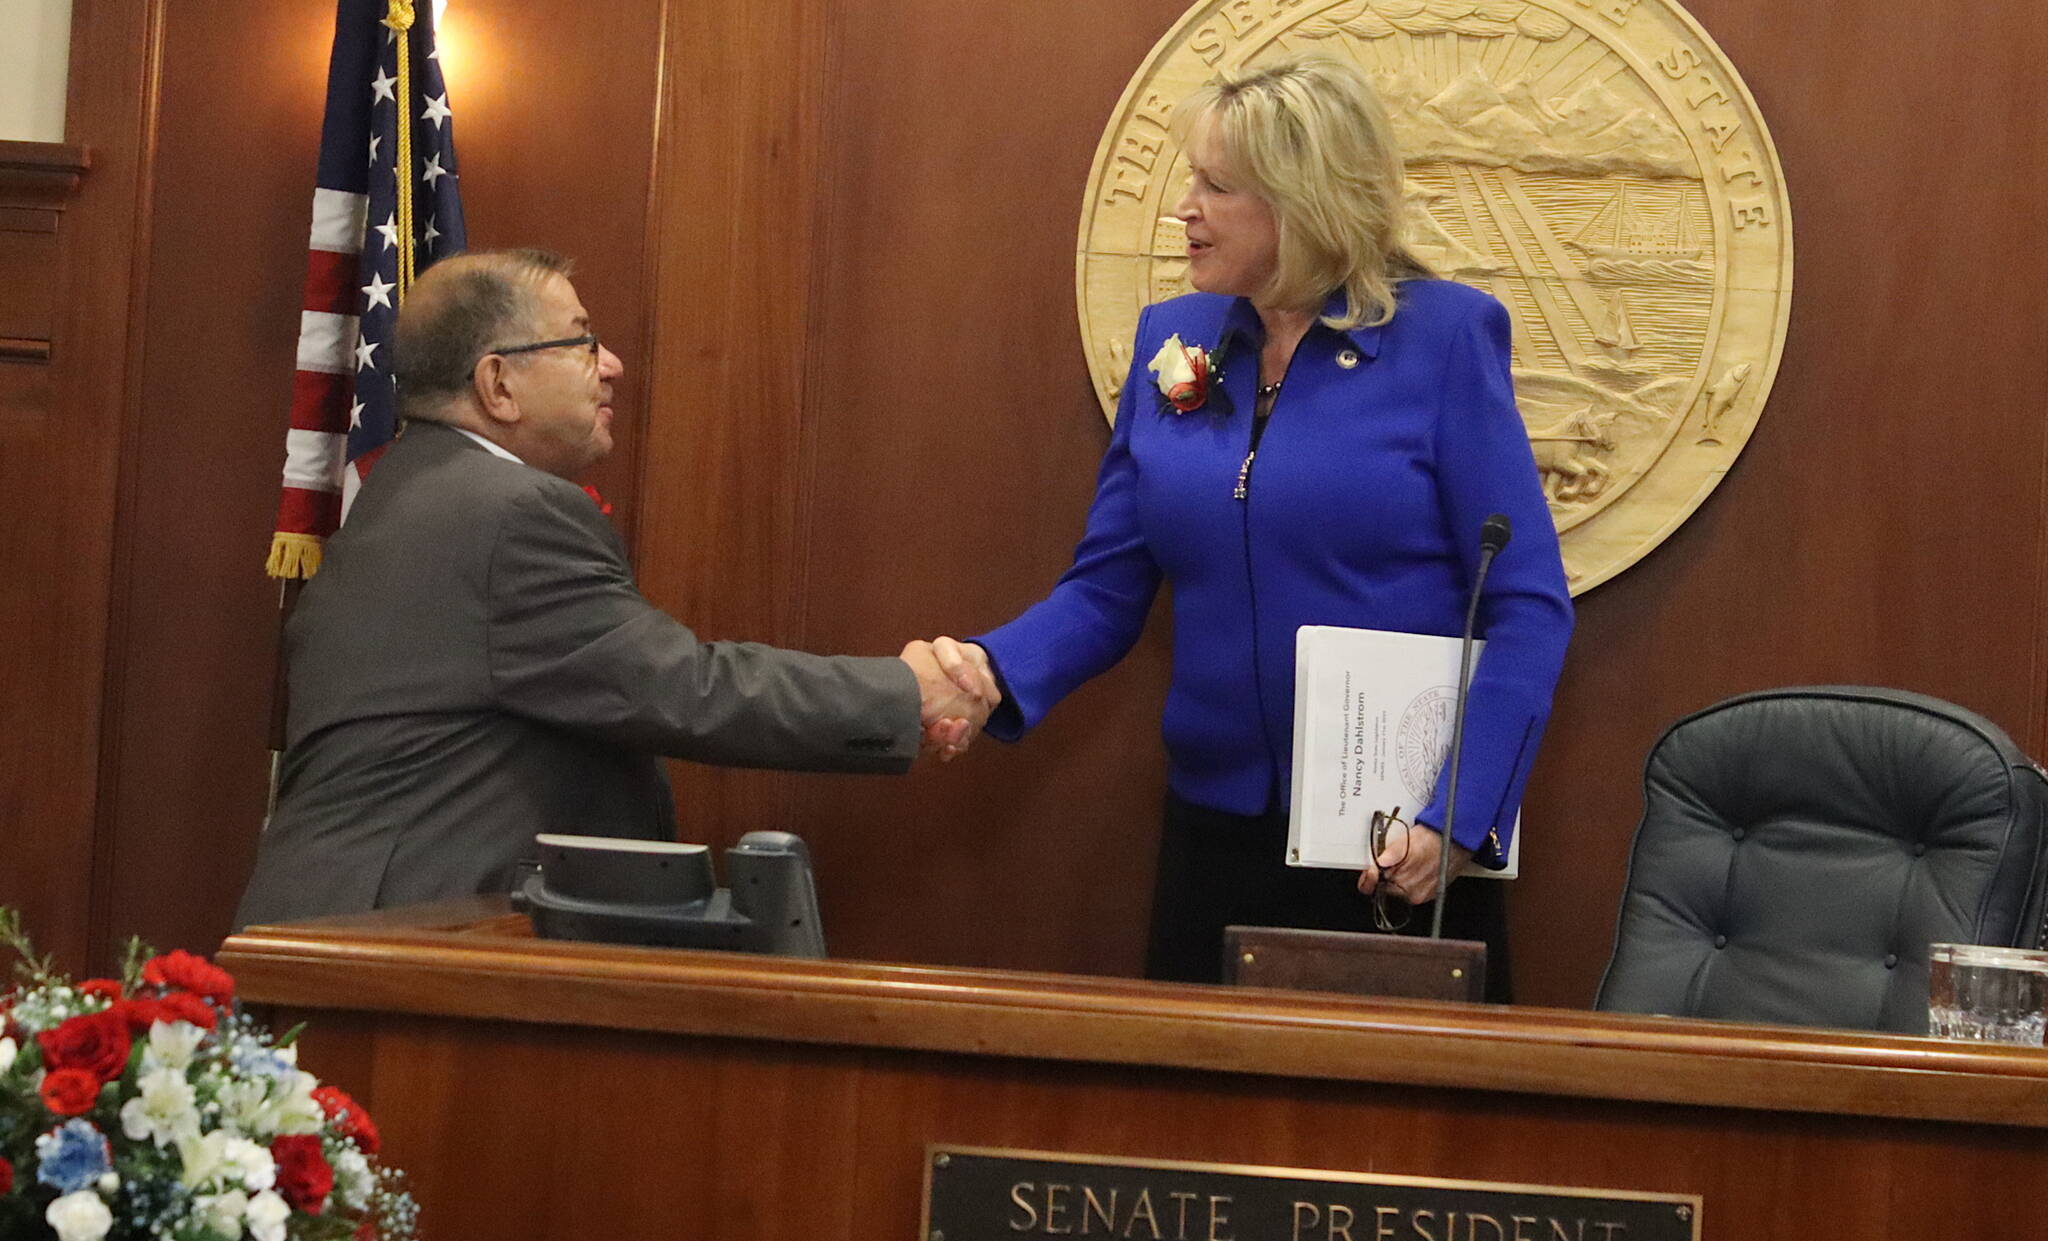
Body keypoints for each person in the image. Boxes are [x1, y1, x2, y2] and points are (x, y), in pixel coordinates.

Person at [932, 57, 1573, 998]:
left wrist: (1460, 819)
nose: (1183, 208)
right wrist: (991, 671)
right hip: (1213, 834)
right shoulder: (1175, 341)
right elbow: (1107, 589)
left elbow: (1528, 603)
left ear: (1304, 202)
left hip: (1396, 850)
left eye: (1215, 187)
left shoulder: (1445, 338)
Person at [237, 249, 991, 927]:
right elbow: (686, 687)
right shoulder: (507, 514)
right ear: (498, 382)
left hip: (341, 926)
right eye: (582, 341)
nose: (613, 365)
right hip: (402, 941)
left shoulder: (407, 491)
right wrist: (906, 692)